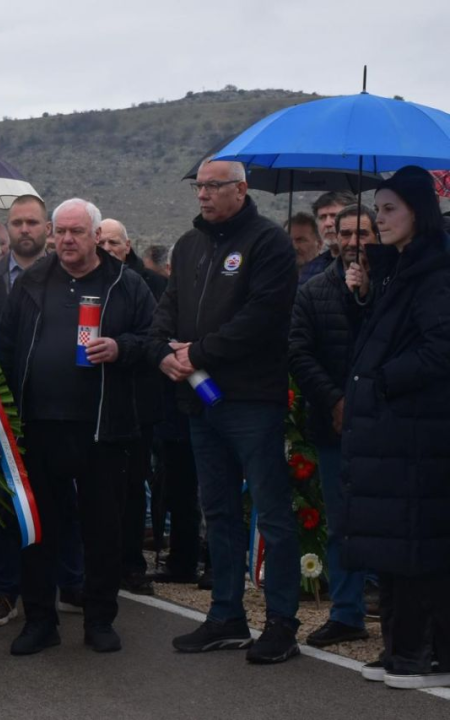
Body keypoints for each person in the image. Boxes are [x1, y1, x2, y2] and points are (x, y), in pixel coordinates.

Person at [151, 160, 301, 664]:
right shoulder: (190, 245)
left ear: (240, 189)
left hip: (251, 400)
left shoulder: (268, 242)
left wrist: (199, 352)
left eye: (213, 187)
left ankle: (281, 622)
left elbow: (263, 317)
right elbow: (166, 310)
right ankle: (227, 616)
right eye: (198, 187)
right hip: (199, 400)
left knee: (271, 512)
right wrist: (165, 354)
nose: (202, 195)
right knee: (216, 510)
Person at [0, 198, 155, 657]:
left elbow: (153, 339)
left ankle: (99, 620)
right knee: (38, 529)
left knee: (102, 530)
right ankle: (39, 622)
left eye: (76, 232)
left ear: (94, 235)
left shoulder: (126, 283)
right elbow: (7, 345)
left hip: (103, 428)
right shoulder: (31, 281)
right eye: (60, 232)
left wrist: (122, 348)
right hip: (38, 426)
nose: (66, 240)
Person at [341, 167, 450, 689]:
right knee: (395, 546)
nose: (377, 220)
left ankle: (422, 655)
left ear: (417, 211)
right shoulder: (397, 268)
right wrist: (362, 291)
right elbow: (382, 336)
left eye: (389, 210)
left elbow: (439, 348)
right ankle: (401, 650)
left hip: (416, 431)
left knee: (417, 546)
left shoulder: (435, 270)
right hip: (394, 432)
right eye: (376, 208)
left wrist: (383, 382)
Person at [289, 204, 378, 648]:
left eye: (362, 232)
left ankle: (400, 612)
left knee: (387, 520)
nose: (352, 242)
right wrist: (336, 400)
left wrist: (366, 296)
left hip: (385, 425)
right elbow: (300, 352)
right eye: (344, 233)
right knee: (341, 520)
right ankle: (347, 612)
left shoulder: (393, 289)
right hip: (333, 425)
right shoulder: (313, 291)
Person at [0, 194, 54, 627]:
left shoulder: (66, 276)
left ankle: (67, 582)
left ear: (47, 229)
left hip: (53, 404)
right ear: (8, 229)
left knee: (58, 500)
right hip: (2, 405)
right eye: (17, 222)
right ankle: (4, 591)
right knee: (3, 502)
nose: (24, 229)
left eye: (32, 222)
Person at [100, 217, 165, 595]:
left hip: (139, 402)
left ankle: (131, 562)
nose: (107, 250)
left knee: (133, 484)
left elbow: (156, 336)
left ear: (128, 246)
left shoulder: (151, 285)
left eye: (114, 243)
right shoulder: (91, 284)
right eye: (102, 243)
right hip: (100, 402)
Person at [100, 218, 167, 298]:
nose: (106, 248)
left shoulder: (154, 283)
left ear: (127, 246)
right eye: (100, 244)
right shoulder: (83, 278)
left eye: (113, 243)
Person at [313, 191, 356, 259]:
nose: (327, 223)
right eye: (322, 217)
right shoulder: (313, 268)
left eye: (334, 216)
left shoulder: (368, 264)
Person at [289, 212, 330, 285]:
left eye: (300, 240)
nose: (294, 246)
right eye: (288, 240)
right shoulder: (276, 275)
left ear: (319, 244)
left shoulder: (329, 276)